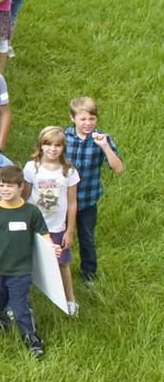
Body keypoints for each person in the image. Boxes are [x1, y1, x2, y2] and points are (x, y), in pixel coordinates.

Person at [0, 165, 50, 358]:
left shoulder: (31, 212)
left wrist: (53, 248)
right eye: (1, 185)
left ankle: (32, 339)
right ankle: (0, 331)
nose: (5, 190)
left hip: (20, 271)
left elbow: (44, 237)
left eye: (9, 186)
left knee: (20, 309)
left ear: (20, 187)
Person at [64, 96, 125, 284]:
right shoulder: (63, 138)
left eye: (92, 119)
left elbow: (118, 169)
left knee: (87, 239)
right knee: (60, 237)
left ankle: (89, 275)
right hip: (62, 200)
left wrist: (105, 146)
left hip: (88, 200)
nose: (88, 123)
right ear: (72, 118)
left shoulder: (102, 139)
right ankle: (57, 271)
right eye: (83, 119)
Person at [23, 126, 81, 315]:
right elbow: (24, 196)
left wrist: (69, 230)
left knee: (62, 263)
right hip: (34, 226)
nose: (53, 149)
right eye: (48, 144)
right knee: (27, 264)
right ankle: (22, 300)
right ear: (41, 146)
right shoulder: (31, 167)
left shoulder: (69, 171)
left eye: (57, 145)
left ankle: (70, 300)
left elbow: (72, 203)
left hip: (57, 227)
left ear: (63, 148)